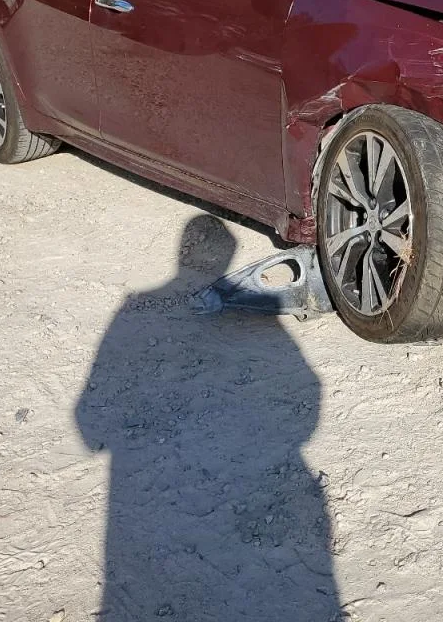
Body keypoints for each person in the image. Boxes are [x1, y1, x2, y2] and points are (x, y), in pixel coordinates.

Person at [76, 214, 341, 620]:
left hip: (138, 509)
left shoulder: (132, 308)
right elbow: (312, 393)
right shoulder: (272, 329)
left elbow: (88, 428)